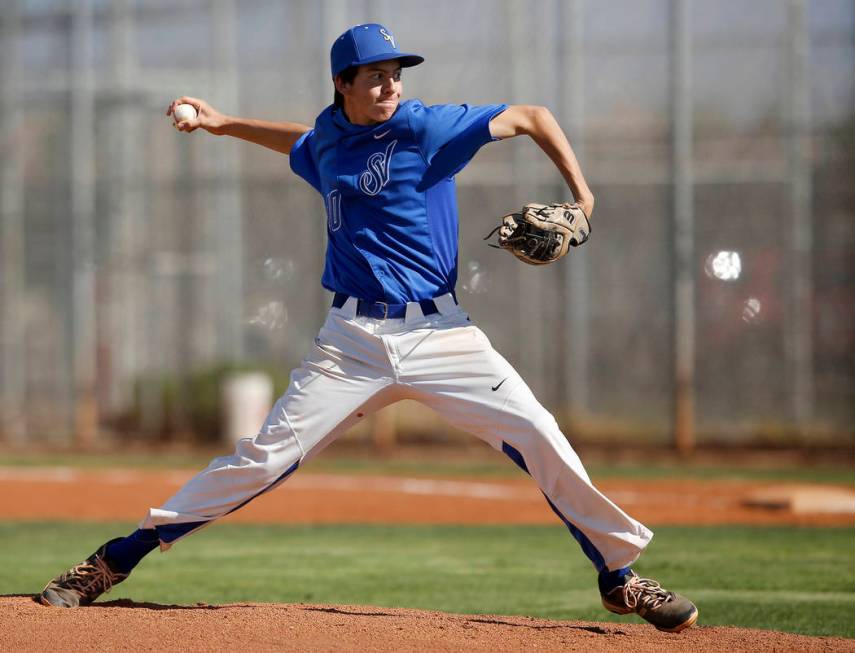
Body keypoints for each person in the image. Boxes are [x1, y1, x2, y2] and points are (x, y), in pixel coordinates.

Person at [38, 23, 697, 633]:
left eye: (395, 72)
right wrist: (222, 123)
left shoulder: (426, 130)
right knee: (262, 458)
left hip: (443, 335)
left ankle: (619, 576)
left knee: (538, 432)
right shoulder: (329, 139)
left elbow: (531, 116)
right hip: (350, 343)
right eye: (374, 74)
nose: (390, 84)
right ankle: (112, 559)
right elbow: (299, 143)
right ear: (342, 85)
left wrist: (582, 197)